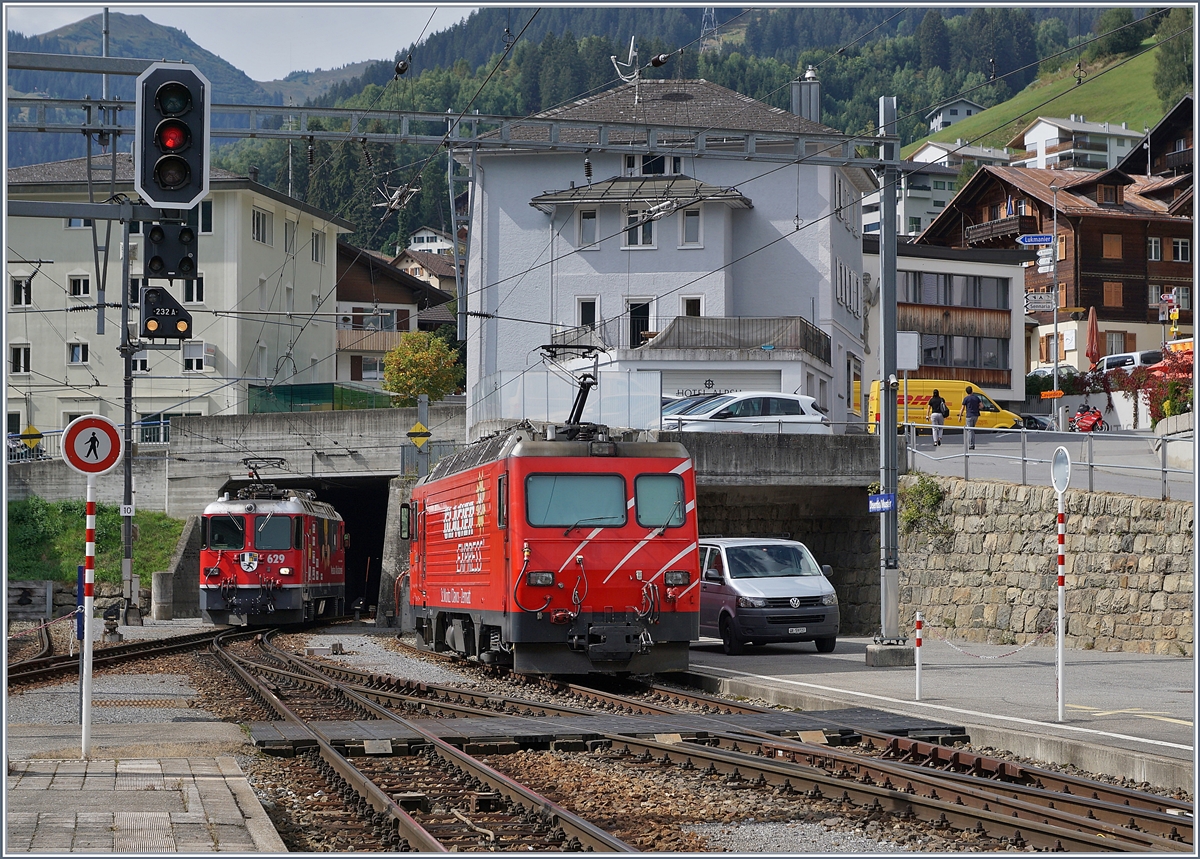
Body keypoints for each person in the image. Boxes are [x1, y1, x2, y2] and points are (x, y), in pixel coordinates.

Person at [959, 385, 982, 449]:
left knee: (970, 430)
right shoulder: (976, 398)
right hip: (976, 415)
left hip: (969, 415)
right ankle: (973, 443)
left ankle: (971, 445)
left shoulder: (966, 399)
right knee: (972, 429)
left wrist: (960, 416)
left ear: (967, 392)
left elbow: (962, 408)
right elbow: (981, 406)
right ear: (972, 391)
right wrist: (977, 408)